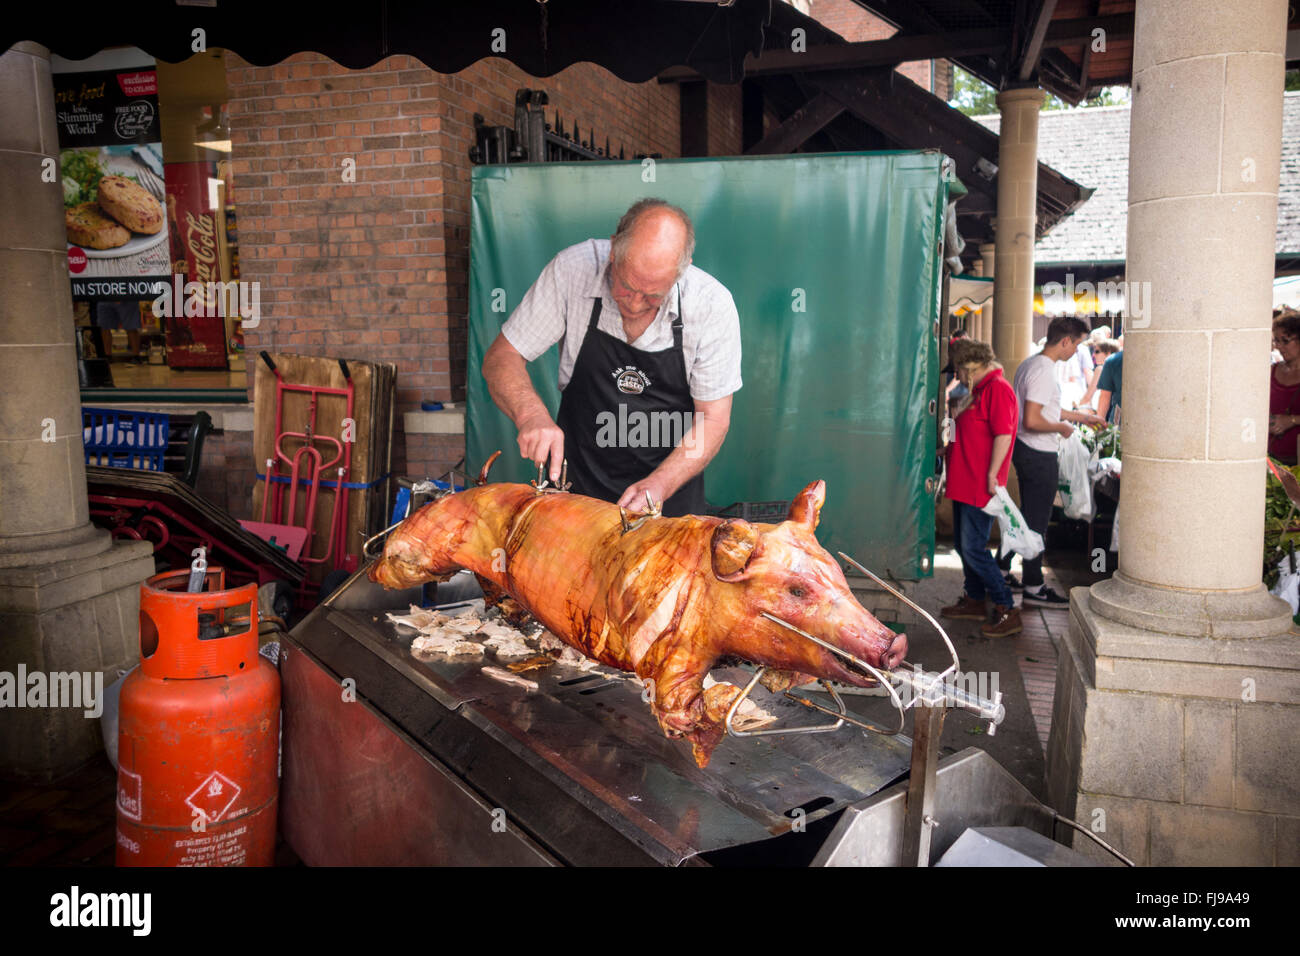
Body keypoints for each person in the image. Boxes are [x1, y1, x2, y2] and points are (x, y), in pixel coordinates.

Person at [481, 198, 742, 517]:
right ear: (613, 249)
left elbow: (714, 419)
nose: (633, 303)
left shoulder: (711, 305)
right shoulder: (571, 271)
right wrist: (530, 415)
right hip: (575, 498)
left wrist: (659, 484)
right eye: (626, 286)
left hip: (667, 502)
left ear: (679, 273)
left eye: (652, 296)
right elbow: (501, 357)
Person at [1011, 316, 1103, 607]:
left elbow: (1046, 408)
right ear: (1065, 341)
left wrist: (1082, 417)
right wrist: (1062, 428)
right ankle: (1034, 587)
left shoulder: (1031, 364)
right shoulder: (1044, 371)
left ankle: (1004, 569)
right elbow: (1033, 419)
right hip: (1038, 453)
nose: (1076, 351)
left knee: (1028, 517)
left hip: (1028, 450)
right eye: (1076, 344)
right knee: (1036, 522)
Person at [940, 339, 1022, 637]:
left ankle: (1007, 607)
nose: (956, 377)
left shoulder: (997, 389)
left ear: (969, 367)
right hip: (966, 480)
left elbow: (1003, 434)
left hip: (979, 482)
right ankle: (974, 599)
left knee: (974, 547)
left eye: (958, 371)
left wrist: (993, 474)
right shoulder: (979, 390)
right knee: (965, 546)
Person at [1269, 310, 1300, 464]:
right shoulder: (1271, 371)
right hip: (1271, 458)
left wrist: (1292, 420)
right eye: (1277, 341)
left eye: (1285, 340)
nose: (1280, 347)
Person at [1095, 343, 1124, 424]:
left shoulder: (1113, 360)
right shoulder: (1113, 360)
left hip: (1119, 420)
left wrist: (1098, 426)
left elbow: (1105, 396)